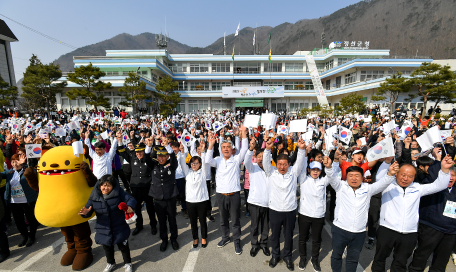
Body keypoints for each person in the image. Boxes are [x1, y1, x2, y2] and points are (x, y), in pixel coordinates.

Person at [372, 156, 452, 272]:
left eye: (410, 176)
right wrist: (387, 162)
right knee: (380, 259)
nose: (405, 178)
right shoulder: (387, 185)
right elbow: (379, 177)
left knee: (400, 263)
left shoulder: (417, 188)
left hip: (409, 233)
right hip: (387, 230)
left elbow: (440, 185)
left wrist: (444, 170)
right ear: (397, 174)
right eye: (403, 175)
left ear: (414, 177)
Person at [323, 156, 395, 272]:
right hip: (340, 229)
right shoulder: (340, 186)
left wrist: (390, 174)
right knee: (336, 255)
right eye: (351, 176)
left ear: (362, 178)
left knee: (353, 259)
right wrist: (329, 167)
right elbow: (331, 177)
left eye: (357, 176)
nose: (354, 178)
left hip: (359, 232)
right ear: (346, 177)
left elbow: (382, 184)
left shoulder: (368, 189)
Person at [263, 137, 306, 271]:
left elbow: (299, 162)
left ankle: (287, 257)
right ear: (276, 164)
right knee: (275, 235)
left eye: (285, 164)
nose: (282, 167)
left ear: (289, 165)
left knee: (288, 236)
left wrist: (301, 148)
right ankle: (275, 255)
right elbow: (265, 163)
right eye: (279, 164)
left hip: (290, 210)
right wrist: (268, 149)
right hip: (275, 210)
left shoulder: (293, 173)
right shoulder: (272, 173)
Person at [79, 175, 136, 272]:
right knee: (107, 247)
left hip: (119, 226)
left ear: (113, 186)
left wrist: (130, 206)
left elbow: (131, 199)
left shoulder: (119, 192)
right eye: (103, 185)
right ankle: (111, 263)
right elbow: (88, 209)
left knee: (123, 246)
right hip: (103, 227)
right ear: (99, 185)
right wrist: (85, 213)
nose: (105, 188)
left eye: (108, 185)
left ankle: (128, 263)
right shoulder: (94, 196)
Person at [205, 125, 248, 255]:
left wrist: (244, 133)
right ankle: (225, 238)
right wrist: (211, 145)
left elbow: (245, 148)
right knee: (223, 220)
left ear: (231, 149)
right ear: (221, 149)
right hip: (221, 195)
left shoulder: (236, 160)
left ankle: (236, 240)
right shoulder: (217, 160)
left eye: (228, 147)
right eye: (223, 147)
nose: (225, 149)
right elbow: (207, 160)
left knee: (235, 220)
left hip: (234, 194)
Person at [408, 165, 456, 271]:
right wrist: (439, 161)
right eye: (448, 175)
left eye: (453, 175)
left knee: (441, 261)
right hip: (431, 228)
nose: (450, 178)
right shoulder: (434, 187)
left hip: (451, 232)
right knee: (421, 256)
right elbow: (432, 175)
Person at [116, 140, 158, 236]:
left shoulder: (149, 159)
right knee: (137, 208)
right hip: (136, 188)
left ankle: (153, 225)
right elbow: (122, 151)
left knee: (150, 208)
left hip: (147, 187)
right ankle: (139, 225)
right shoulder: (132, 158)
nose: (139, 153)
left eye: (141, 151)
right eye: (137, 152)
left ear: (144, 151)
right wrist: (119, 140)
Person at [146, 137, 180, 251]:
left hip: (170, 197)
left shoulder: (171, 165)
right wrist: (149, 146)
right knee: (161, 221)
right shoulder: (154, 166)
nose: (161, 158)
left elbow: (174, 159)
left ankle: (174, 239)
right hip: (158, 198)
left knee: (172, 220)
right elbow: (147, 158)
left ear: (167, 157)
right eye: (159, 156)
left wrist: (167, 146)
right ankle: (164, 240)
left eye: (163, 156)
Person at [297, 160, 331, 272]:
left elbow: (332, 174)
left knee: (316, 240)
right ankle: (303, 258)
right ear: (308, 170)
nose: (315, 172)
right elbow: (300, 165)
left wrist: (332, 164)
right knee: (302, 238)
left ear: (321, 171)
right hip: (304, 214)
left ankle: (314, 259)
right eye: (313, 169)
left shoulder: (323, 181)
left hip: (318, 215)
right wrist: (304, 152)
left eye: (318, 170)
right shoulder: (303, 180)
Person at [3, 153, 39, 248]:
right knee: (18, 221)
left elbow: (32, 173)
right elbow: (1, 175)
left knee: (31, 219)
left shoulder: (27, 169)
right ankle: (24, 236)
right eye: (13, 162)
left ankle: (32, 236)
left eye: (17, 161)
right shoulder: (9, 172)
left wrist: (23, 165)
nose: (15, 164)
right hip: (14, 202)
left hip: (28, 200)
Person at [243, 138, 271, 258]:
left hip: (268, 204)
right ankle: (254, 245)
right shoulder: (252, 167)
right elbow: (246, 161)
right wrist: (250, 149)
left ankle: (263, 243)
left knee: (265, 227)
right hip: (254, 202)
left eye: (263, 156)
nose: (261, 159)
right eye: (259, 156)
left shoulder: (272, 170)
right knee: (254, 226)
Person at [180, 142, 209, 248]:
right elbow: (183, 163)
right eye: (192, 163)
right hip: (190, 201)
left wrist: (203, 151)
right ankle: (195, 238)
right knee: (193, 222)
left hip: (201, 201)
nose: (193, 165)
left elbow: (205, 161)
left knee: (202, 220)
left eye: (196, 163)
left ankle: (204, 237)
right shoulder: (188, 173)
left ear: (200, 164)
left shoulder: (203, 173)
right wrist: (182, 152)